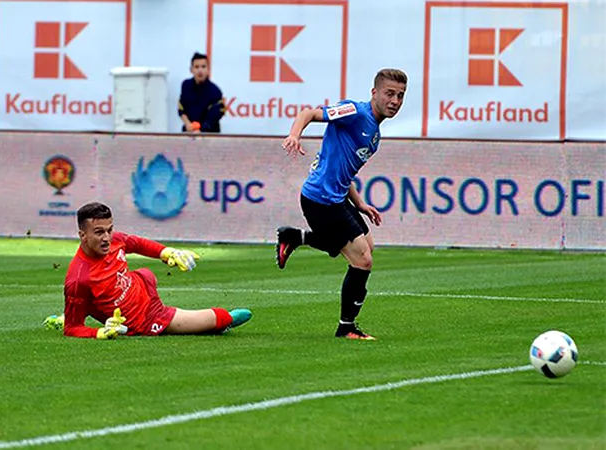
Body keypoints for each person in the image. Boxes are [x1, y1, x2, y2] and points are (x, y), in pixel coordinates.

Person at [275, 68, 408, 341]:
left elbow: (345, 173)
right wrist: (294, 135)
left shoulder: (374, 136)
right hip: (320, 200)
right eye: (389, 94)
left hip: (338, 198)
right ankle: (346, 328)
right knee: (363, 260)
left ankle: (295, 237)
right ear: (374, 93)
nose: (395, 101)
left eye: (400, 96)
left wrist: (360, 204)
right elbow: (309, 114)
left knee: (367, 247)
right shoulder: (353, 112)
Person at [44, 202, 251, 339]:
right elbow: (72, 329)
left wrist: (167, 252)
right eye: (99, 232)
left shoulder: (113, 240)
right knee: (216, 319)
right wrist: (99, 332)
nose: (107, 238)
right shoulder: (79, 279)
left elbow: (135, 243)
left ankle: (71, 311)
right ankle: (226, 321)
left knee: (146, 273)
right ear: (83, 235)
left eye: (109, 229)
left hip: (141, 287)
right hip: (146, 318)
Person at [178, 52, 225, 133]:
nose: (200, 70)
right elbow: (181, 108)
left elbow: (213, 117)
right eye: (196, 67)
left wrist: (200, 130)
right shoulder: (185, 86)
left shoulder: (215, 91)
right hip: (189, 132)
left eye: (203, 67)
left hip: (209, 133)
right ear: (191, 70)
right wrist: (187, 123)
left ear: (208, 70)